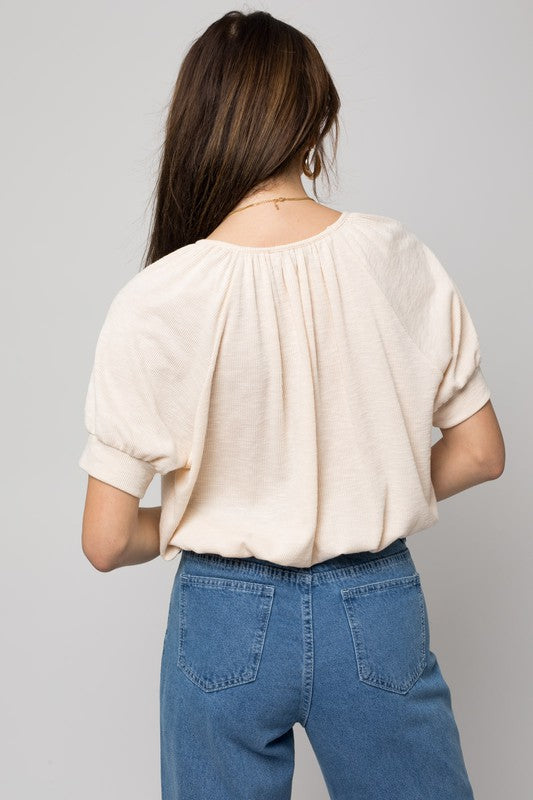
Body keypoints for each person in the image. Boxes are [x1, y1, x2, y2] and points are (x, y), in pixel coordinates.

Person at [78, 9, 505, 800]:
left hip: (221, 616)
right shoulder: (393, 256)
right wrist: (360, 485)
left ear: (199, 126)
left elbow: (104, 540)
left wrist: (208, 509)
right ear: (314, 122)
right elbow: (481, 451)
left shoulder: (157, 297)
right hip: (374, 605)